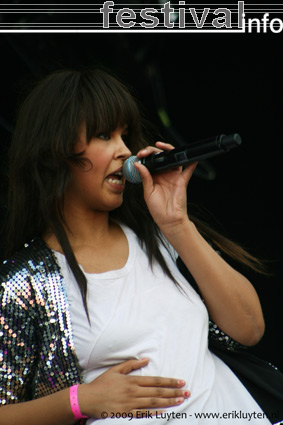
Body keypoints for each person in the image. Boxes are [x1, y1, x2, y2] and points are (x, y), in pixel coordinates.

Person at [0, 68, 272, 425]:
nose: (124, 151)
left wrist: (177, 224)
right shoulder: (23, 284)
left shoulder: (160, 238)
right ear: (55, 150)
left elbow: (249, 328)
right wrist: (81, 400)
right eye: (103, 135)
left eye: (125, 135)